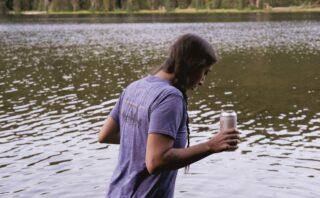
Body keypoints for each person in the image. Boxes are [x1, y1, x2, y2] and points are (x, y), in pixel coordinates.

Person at [98, 33, 240, 198]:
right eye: (204, 72)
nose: (202, 81)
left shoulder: (136, 86)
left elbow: (105, 135)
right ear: (192, 66)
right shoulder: (170, 97)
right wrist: (211, 146)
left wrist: (151, 142)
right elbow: (156, 161)